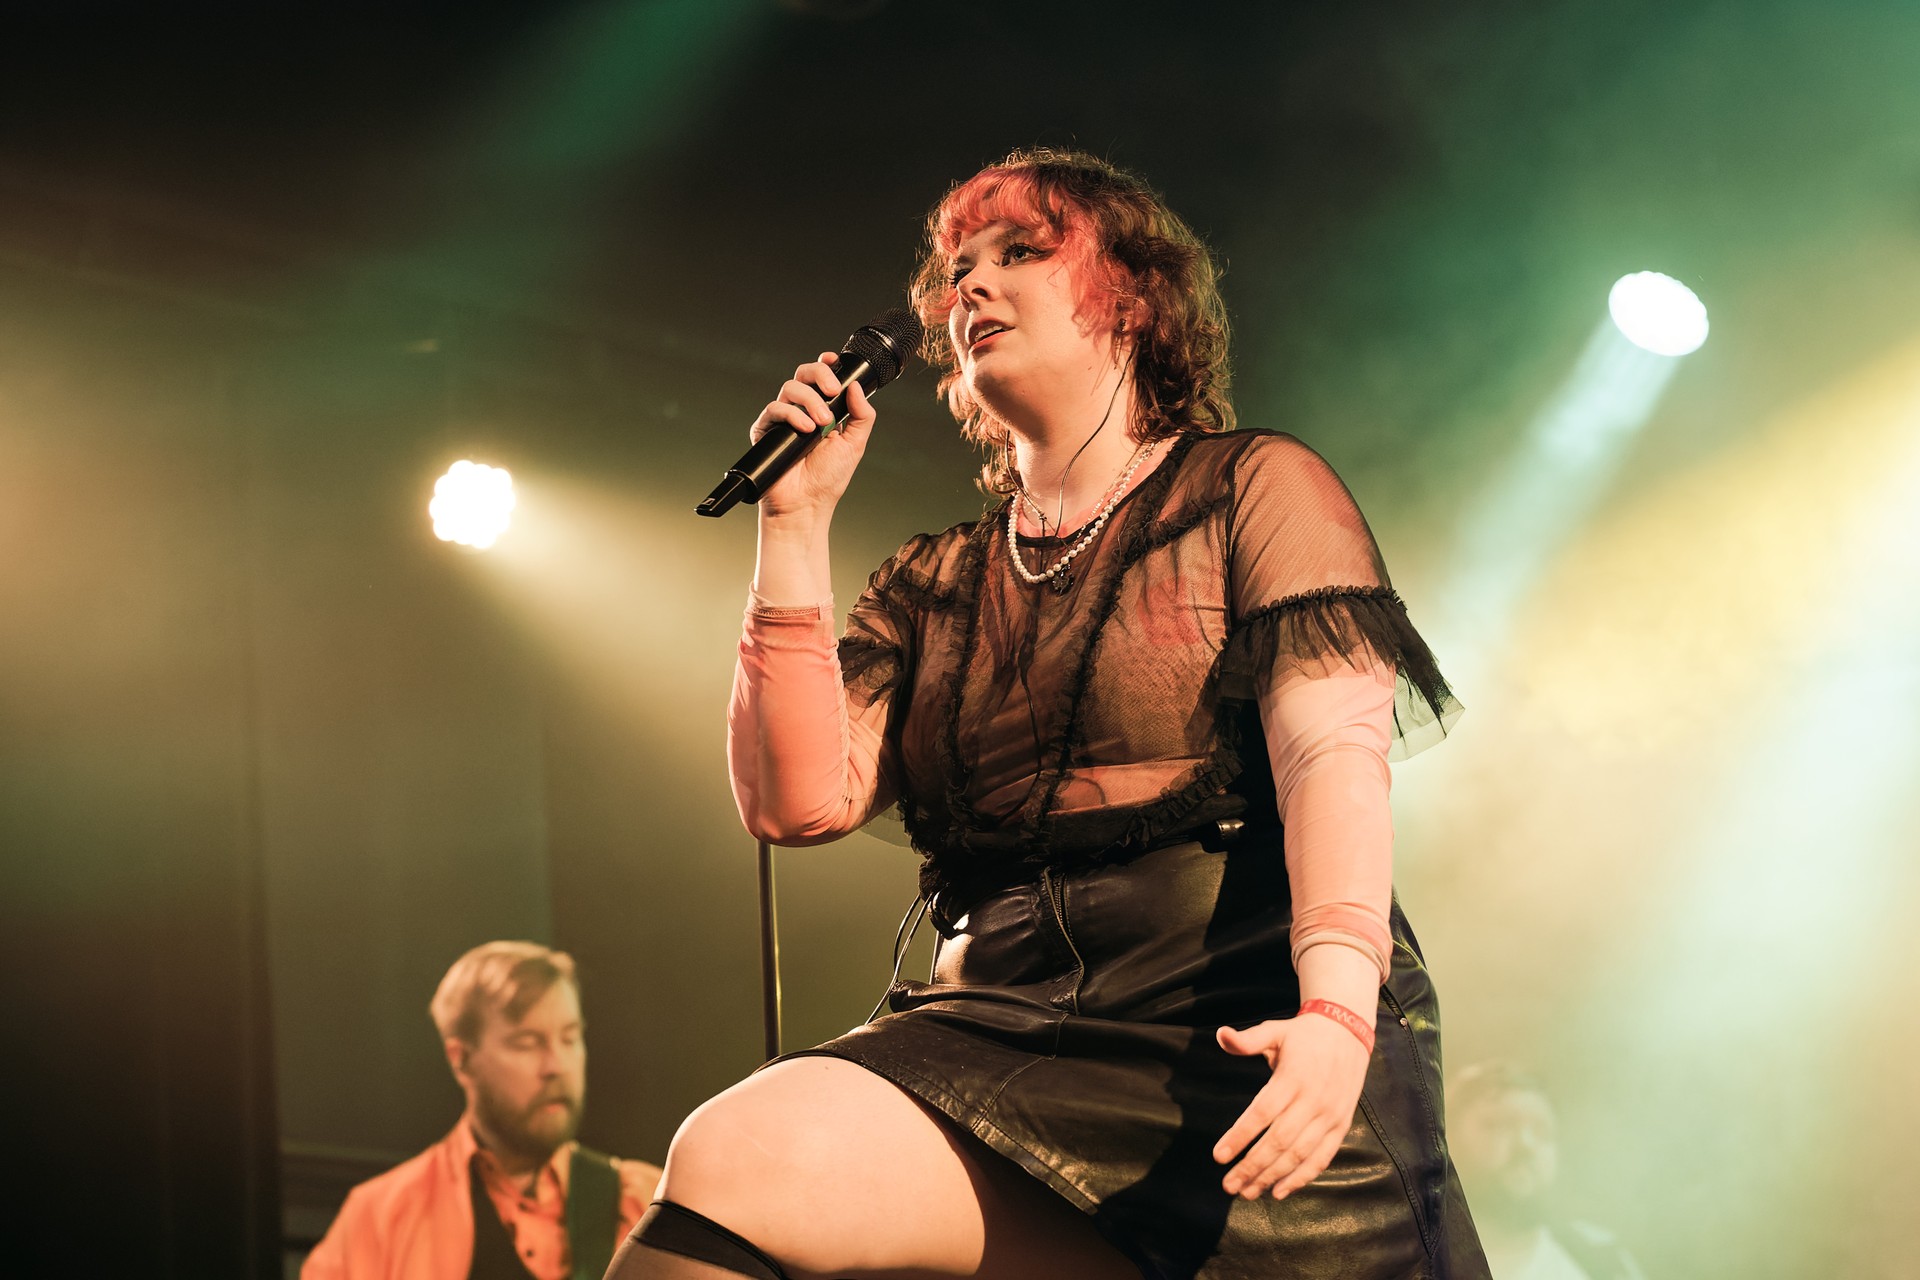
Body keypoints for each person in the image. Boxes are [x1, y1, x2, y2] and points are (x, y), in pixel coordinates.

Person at [612, 148, 1486, 1279]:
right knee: (739, 1157)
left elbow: (1333, 759)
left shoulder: (1249, 488)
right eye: (957, 269)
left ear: (1134, 297)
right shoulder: (932, 583)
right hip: (995, 1021)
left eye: (1020, 252)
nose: (971, 285)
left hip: (1228, 1017)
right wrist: (793, 525)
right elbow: (794, 802)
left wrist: (1337, 1015)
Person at [304, 941, 662, 1280]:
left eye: (569, 1038)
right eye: (527, 1043)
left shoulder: (648, 1201)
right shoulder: (380, 1217)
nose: (557, 1065)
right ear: (460, 1059)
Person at [1447, 1062, 1647, 1280]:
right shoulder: (1422, 1259)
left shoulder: (1600, 1259)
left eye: (1541, 1129)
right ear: (1447, 1141)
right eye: (1500, 1125)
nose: (1526, 1144)